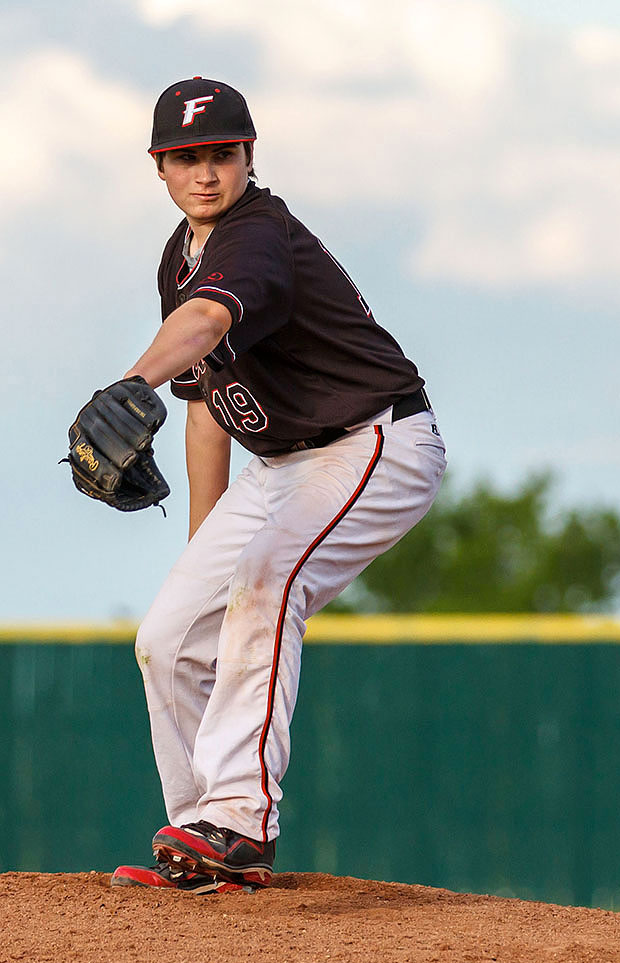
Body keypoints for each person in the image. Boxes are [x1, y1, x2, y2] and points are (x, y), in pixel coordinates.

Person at [110, 77, 446, 894]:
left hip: (374, 441)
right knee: (168, 635)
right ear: (159, 168)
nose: (205, 173)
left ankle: (238, 819)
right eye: (186, 158)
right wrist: (201, 556)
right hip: (284, 464)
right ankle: (201, 836)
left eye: (221, 154)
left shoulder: (255, 234)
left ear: (248, 157)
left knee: (265, 582)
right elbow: (206, 414)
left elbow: (208, 324)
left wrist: (130, 383)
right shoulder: (179, 255)